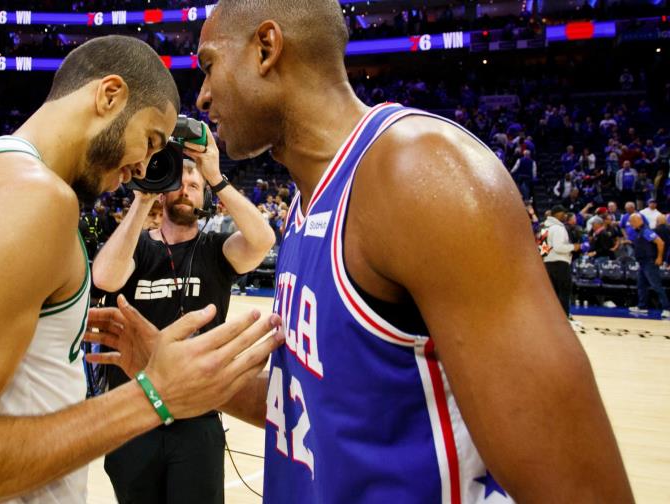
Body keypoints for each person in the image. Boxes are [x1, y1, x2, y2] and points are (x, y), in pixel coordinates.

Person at [171, 2, 633, 502]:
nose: (203, 95)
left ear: (267, 47)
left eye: (209, 65)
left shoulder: (419, 174)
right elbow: (328, 412)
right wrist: (168, 368)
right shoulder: (306, 203)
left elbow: (580, 488)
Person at [0, 35, 282, 503]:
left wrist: (62, 324)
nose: (145, 165)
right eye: (149, 141)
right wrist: (154, 394)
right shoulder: (30, 196)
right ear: (109, 95)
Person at [92, 131, 275, 504]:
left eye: (194, 185)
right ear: (164, 191)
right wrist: (143, 198)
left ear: (205, 197)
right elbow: (105, 278)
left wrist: (215, 176)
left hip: (198, 414)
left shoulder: (214, 249)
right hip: (133, 412)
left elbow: (261, 241)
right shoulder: (138, 246)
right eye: (178, 182)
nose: (186, 189)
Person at [625, 213, 670, 318]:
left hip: (649, 262)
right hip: (643, 263)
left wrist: (659, 257)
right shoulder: (640, 232)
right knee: (641, 285)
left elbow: (660, 243)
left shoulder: (646, 231)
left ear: (637, 221)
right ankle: (642, 307)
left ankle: (667, 308)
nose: (631, 225)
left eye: (631, 222)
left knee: (656, 285)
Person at [541, 206, 580, 316]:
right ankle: (563, 317)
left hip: (548, 263)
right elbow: (558, 247)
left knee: (553, 293)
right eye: (564, 214)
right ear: (558, 214)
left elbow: (542, 250)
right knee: (564, 291)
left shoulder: (544, 227)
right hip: (560, 263)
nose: (565, 216)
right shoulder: (558, 228)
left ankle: (552, 317)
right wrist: (573, 247)